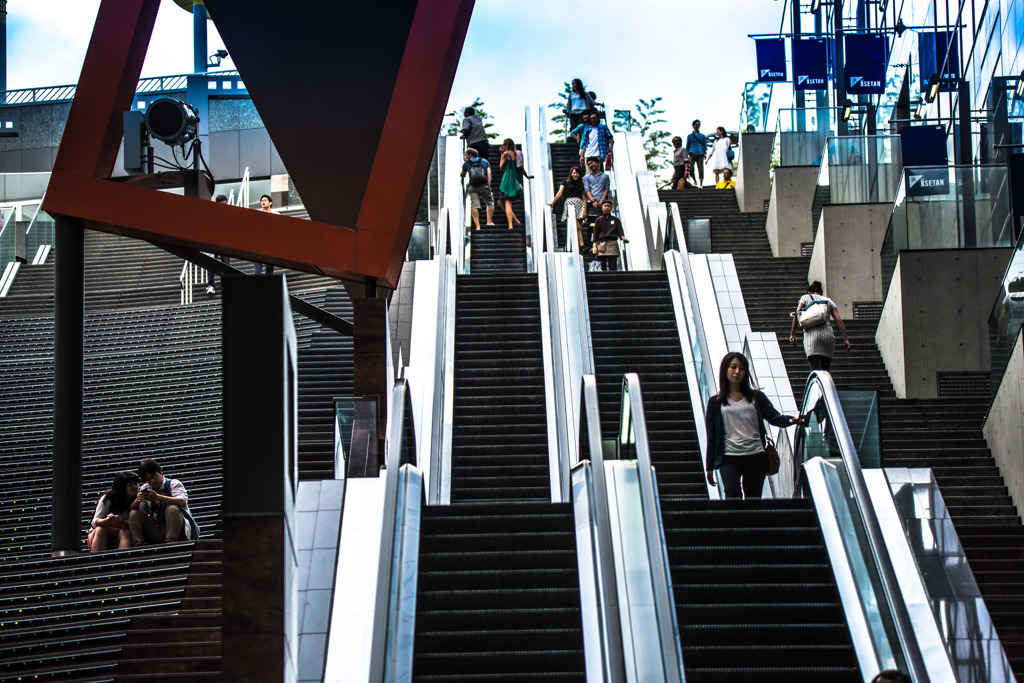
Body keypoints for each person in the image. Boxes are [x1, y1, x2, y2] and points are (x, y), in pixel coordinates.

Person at [705, 352, 801, 499]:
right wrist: (709, 466)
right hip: (728, 456)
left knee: (753, 498)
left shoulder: (756, 397)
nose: (737, 371)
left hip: (755, 455)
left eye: (742, 368)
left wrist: (789, 420)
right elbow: (711, 435)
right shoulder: (715, 402)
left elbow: (773, 417)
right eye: (733, 367)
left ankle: (752, 522)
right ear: (725, 370)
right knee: (732, 493)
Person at [129, 459, 200, 546]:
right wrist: (138, 500)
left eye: (153, 477)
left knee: (172, 508)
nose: (152, 481)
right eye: (148, 480)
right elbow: (139, 512)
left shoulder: (173, 484)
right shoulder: (146, 488)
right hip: (158, 530)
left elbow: (182, 502)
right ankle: (138, 544)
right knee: (134, 513)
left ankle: (171, 543)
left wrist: (158, 497)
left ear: (160, 471)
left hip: (178, 530)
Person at [788, 281, 851, 371]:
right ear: (821, 292)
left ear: (809, 292)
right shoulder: (828, 301)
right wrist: (846, 339)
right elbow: (839, 321)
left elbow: (796, 315)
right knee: (826, 371)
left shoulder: (805, 297)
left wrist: (792, 334)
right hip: (828, 336)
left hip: (812, 337)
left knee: (815, 370)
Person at [87, 471, 141, 552]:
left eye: (136, 484)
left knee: (125, 532)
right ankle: (98, 561)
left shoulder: (140, 499)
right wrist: (107, 521)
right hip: (102, 535)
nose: (134, 487)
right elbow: (94, 522)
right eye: (130, 485)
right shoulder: (109, 499)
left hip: (120, 536)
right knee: (101, 530)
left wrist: (122, 522)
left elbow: (137, 526)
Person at [549, 165, 587, 248]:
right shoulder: (565, 182)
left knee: (579, 227)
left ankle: (579, 245)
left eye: (577, 173)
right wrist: (553, 203)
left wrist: (585, 211)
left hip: (579, 204)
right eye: (573, 173)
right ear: (571, 174)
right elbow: (559, 193)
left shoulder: (581, 184)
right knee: (576, 226)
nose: (575, 175)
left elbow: (584, 197)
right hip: (570, 205)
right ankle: (581, 245)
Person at [460, 148, 495, 230]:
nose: (465, 156)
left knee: (475, 205)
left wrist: (463, 169)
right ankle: (489, 222)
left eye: (466, 155)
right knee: (490, 203)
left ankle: (478, 226)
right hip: (484, 185)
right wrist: (488, 184)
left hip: (473, 186)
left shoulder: (466, 164)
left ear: (470, 155)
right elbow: (489, 172)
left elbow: (462, 175)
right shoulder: (484, 161)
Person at [591, 200, 628, 271]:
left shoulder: (616, 220)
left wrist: (622, 238)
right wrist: (594, 246)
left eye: (609, 206)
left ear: (611, 208)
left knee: (613, 265)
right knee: (602, 265)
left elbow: (620, 230)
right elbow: (595, 233)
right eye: (605, 206)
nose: (607, 208)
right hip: (602, 243)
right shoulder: (598, 220)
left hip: (612, 243)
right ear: (602, 207)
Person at [206, 194, 231, 295]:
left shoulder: (228, 214)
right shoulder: (212, 214)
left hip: (225, 243)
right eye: (223, 203)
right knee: (212, 265)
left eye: (226, 203)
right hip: (214, 243)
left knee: (225, 264)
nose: (225, 205)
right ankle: (211, 285)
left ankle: (224, 284)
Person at [498, 140, 522, 229]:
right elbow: (520, 167)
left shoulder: (506, 154)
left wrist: (502, 153)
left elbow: (501, 166)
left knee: (507, 203)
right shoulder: (518, 153)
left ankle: (510, 225)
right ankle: (516, 220)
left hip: (507, 177)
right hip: (514, 177)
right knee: (500, 202)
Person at [254, 194, 276, 276]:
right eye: (262, 201)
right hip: (258, 245)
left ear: (270, 203)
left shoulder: (276, 215)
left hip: (270, 245)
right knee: (257, 271)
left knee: (269, 271)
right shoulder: (256, 214)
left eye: (265, 200)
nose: (263, 202)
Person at [686, 119, 708, 188]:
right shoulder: (690, 136)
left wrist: (705, 153)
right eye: (696, 124)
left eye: (698, 125)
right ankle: (694, 180)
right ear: (693, 126)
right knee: (691, 169)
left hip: (700, 153)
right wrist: (687, 154)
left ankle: (701, 184)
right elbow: (687, 145)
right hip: (692, 152)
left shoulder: (702, 136)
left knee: (701, 169)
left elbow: (705, 144)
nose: (697, 126)